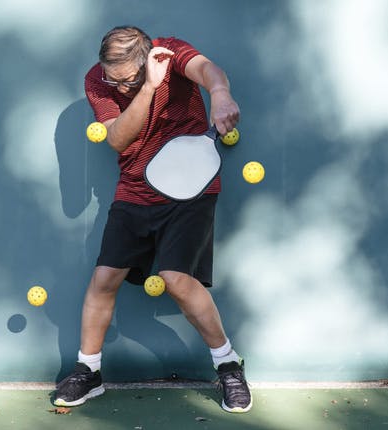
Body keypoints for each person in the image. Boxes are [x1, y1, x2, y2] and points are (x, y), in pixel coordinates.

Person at [54, 26, 251, 413]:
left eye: (126, 79)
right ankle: (88, 371)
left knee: (178, 280)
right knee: (104, 278)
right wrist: (145, 89)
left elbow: (209, 69)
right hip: (135, 188)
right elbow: (116, 139)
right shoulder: (98, 80)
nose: (116, 86)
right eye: (112, 77)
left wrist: (221, 93)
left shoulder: (170, 53)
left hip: (191, 189)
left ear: (147, 60)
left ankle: (228, 366)